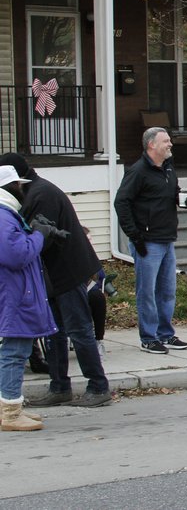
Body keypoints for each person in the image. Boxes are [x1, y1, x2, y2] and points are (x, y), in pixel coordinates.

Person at [0, 153, 111, 407]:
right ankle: (59, 387)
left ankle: (98, 386)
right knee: (55, 333)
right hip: (50, 275)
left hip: (68, 270)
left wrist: (34, 238)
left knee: (79, 330)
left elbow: (40, 236)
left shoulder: (41, 194)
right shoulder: (33, 192)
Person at [114, 128, 187, 355]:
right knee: (146, 292)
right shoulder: (138, 172)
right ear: (151, 145)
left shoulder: (167, 168)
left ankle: (165, 334)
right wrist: (134, 236)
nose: (170, 145)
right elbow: (121, 203)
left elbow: (172, 191)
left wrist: (180, 198)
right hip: (147, 243)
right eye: (165, 141)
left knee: (167, 291)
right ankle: (148, 338)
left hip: (167, 239)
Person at [0, 165, 59, 431]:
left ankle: (10, 409)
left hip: (14, 295)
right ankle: (10, 414)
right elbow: (16, 255)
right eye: (19, 185)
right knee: (14, 353)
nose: (23, 189)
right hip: (13, 297)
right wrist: (38, 235)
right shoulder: (3, 216)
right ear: (9, 188)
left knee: (16, 351)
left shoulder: (8, 215)